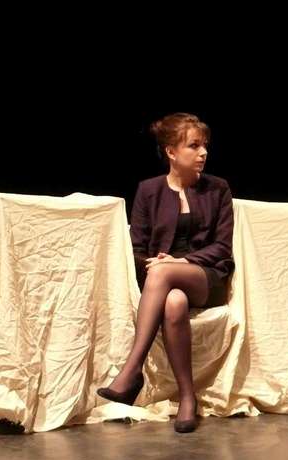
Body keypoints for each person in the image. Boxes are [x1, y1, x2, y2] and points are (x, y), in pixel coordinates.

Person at [97, 113, 234, 433]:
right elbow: (135, 248)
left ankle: (131, 370)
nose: (203, 153)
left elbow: (222, 247)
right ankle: (187, 398)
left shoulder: (218, 189)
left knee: (162, 275)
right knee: (173, 302)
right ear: (171, 152)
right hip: (162, 279)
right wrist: (157, 262)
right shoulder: (149, 190)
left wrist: (181, 263)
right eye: (194, 146)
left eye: (205, 146)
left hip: (206, 276)